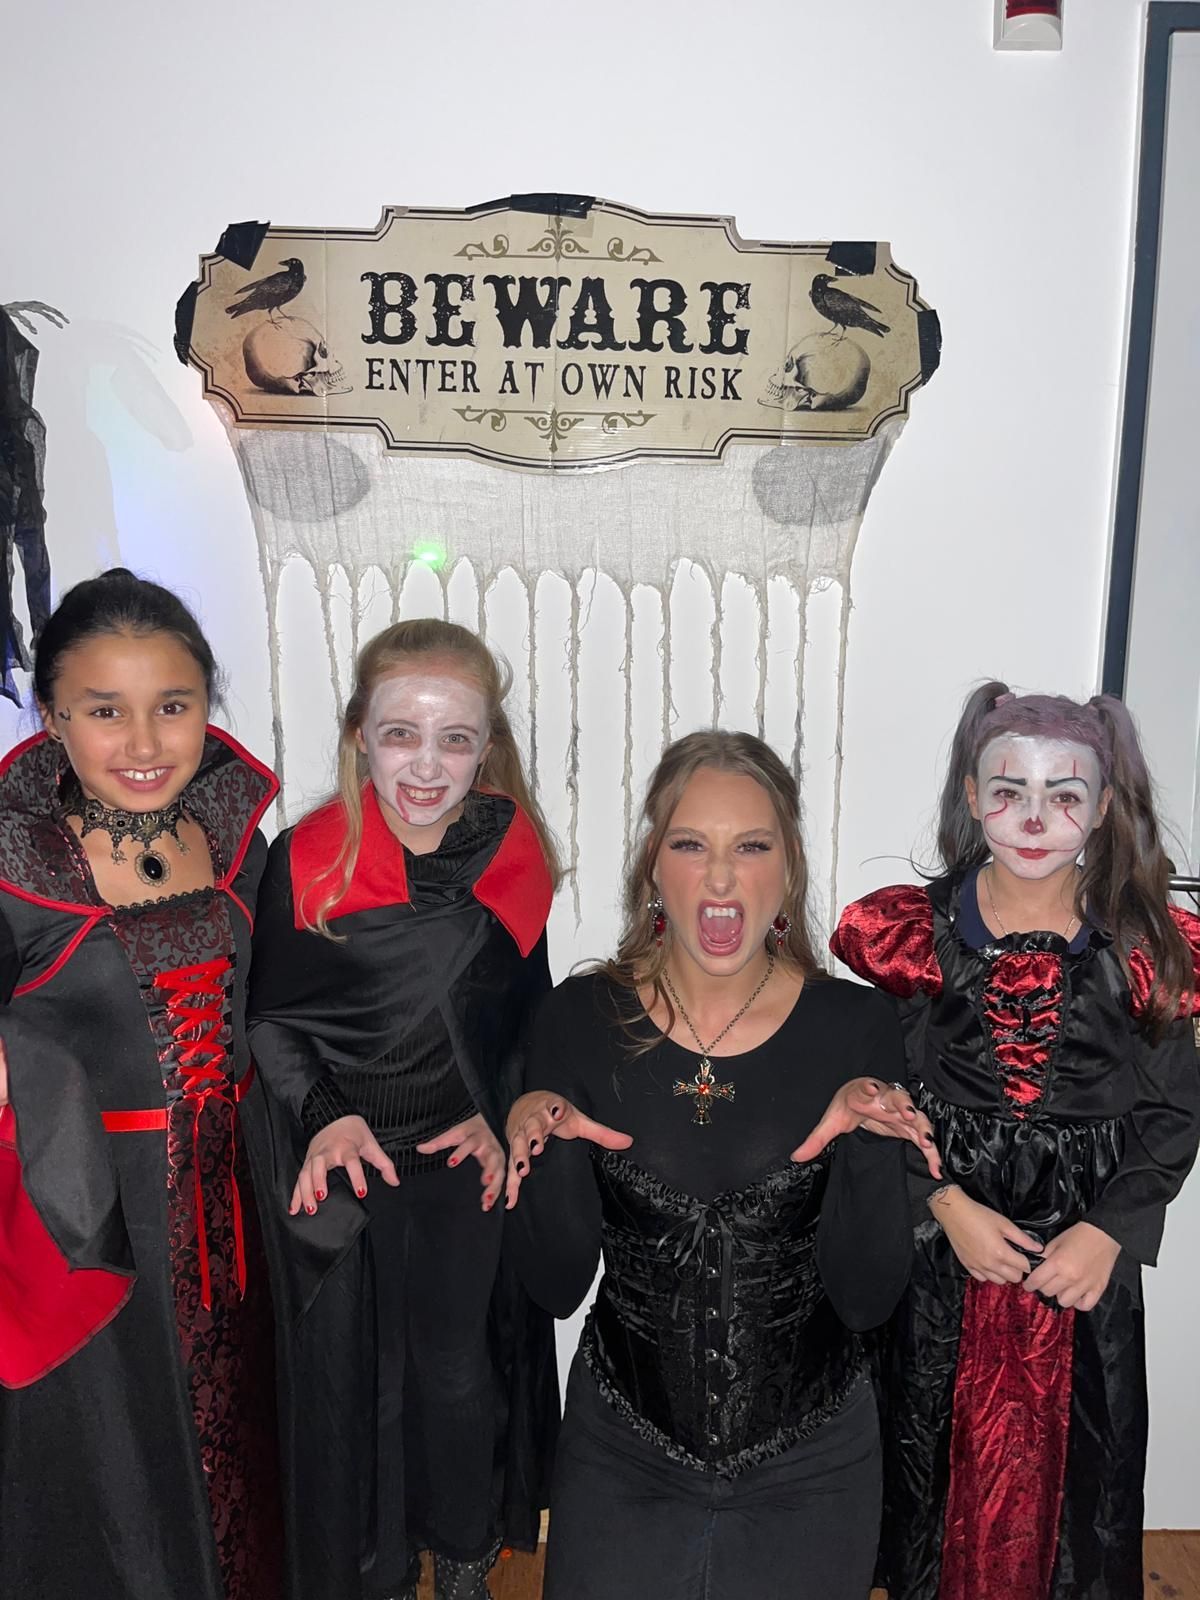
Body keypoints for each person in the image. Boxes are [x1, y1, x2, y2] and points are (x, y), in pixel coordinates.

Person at [505, 730, 940, 1600]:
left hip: (812, 1467)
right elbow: (555, 1285)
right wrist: (544, 1142)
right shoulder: (578, 1019)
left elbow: (866, 1298)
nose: (719, 878)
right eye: (689, 845)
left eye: (751, 847)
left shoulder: (854, 1027)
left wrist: (865, 1147)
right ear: (652, 868)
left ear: (788, 870)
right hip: (621, 1455)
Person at [831, 681, 1200, 1600]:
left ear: (1104, 807)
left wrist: (1110, 1231)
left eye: (1064, 795)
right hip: (947, 1258)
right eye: (1008, 791)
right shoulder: (918, 936)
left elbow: (1172, 1114)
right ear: (971, 794)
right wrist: (941, 1203)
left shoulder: (1139, 948)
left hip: (1083, 1264)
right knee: (932, 1452)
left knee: (1081, 1480)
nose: (1034, 820)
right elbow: (885, 1097)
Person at [247, 618, 560, 1600]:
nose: (426, 765)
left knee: (456, 1368)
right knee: (367, 1382)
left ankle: (464, 1552)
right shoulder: (307, 859)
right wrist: (326, 1113)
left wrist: (499, 1112)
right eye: (400, 735)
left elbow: (528, 1014)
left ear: (487, 747)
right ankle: (376, 1568)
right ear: (359, 736)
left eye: (454, 739)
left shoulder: (514, 852)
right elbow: (271, 1018)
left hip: (459, 1167)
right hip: (347, 1168)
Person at [0, 568, 283, 1600]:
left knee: (243, 1460)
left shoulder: (244, 843)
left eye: (173, 705)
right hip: (91, 1225)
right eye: (104, 710)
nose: (144, 741)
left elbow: (288, 1011)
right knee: (117, 1488)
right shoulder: (14, 863)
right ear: (51, 716)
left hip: (237, 1216)